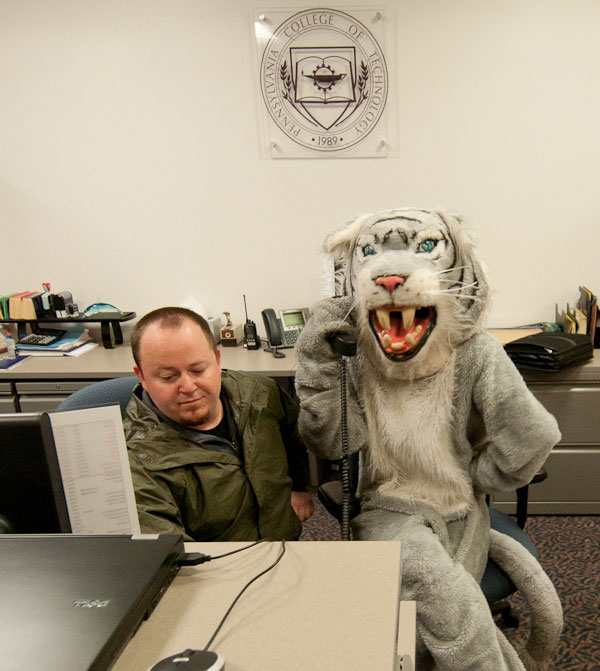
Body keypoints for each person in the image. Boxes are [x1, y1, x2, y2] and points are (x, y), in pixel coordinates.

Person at [124, 306, 313, 541]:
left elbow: (294, 438)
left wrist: (299, 487)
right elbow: (172, 553)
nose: (188, 387)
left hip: (284, 546)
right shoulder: (135, 462)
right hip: (220, 562)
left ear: (217, 360)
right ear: (141, 376)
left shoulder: (260, 393)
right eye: (168, 377)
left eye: (198, 370)